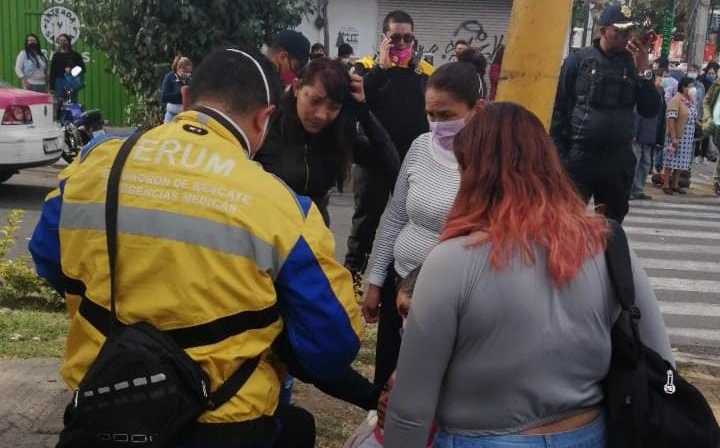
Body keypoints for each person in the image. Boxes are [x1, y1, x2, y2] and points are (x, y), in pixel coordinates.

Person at [29, 47, 362, 448]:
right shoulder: (284, 208)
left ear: (185, 98)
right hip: (224, 422)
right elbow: (333, 344)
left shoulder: (95, 164)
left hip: (106, 405)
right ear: (265, 118)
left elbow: (47, 256)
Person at [384, 102, 673, 448]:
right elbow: (663, 364)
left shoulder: (450, 262)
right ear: (550, 165)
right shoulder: (605, 245)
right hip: (589, 434)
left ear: (472, 173)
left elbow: (409, 409)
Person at [363, 62, 481, 387]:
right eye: (431, 114)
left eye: (447, 115)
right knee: (387, 378)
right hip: (399, 282)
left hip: (446, 296)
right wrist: (375, 280)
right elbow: (395, 216)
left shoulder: (485, 162)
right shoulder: (419, 147)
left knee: (427, 382)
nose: (437, 125)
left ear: (476, 109)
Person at [345, 10, 433, 291]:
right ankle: (352, 278)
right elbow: (356, 104)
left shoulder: (424, 73)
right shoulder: (365, 69)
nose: (402, 43)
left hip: (409, 163)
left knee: (409, 224)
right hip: (373, 160)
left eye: (408, 38)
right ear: (384, 38)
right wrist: (381, 69)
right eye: (395, 37)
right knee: (365, 223)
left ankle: (396, 281)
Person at [256, 57, 400, 226]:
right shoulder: (265, 127)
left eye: (333, 107)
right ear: (296, 88)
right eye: (314, 101)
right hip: (264, 231)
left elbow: (388, 160)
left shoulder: (337, 134)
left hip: (313, 235)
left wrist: (363, 111)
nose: (321, 115)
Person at [550, 4, 660, 223]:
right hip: (580, 156)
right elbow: (560, 110)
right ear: (603, 31)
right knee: (567, 222)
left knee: (611, 225)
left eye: (628, 31)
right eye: (618, 31)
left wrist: (644, 71)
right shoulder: (578, 61)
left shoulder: (634, 64)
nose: (625, 36)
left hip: (617, 159)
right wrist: (561, 156)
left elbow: (650, 110)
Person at [631, 71, 666, 200]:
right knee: (635, 162)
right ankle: (629, 190)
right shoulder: (640, 94)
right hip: (638, 135)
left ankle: (638, 189)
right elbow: (636, 115)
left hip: (649, 136)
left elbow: (660, 118)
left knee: (646, 163)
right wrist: (634, 133)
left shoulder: (658, 95)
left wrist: (659, 137)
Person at [662, 77, 697, 195]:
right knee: (670, 161)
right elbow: (671, 118)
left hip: (687, 137)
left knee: (681, 162)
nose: (692, 89)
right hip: (676, 135)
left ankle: (675, 184)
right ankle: (666, 184)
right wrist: (673, 137)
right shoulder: (676, 99)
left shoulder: (690, 101)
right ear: (683, 87)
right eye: (690, 86)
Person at [49, 33, 85, 103]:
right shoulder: (56, 55)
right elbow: (52, 72)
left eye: (64, 40)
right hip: (58, 82)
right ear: (58, 42)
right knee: (59, 103)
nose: (62, 42)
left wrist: (72, 70)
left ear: (68, 42)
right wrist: (51, 87)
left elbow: (82, 68)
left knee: (71, 101)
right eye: (61, 40)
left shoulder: (75, 55)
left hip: (71, 81)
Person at [160, 56, 193, 123]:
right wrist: (180, 94)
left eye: (189, 72)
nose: (188, 74)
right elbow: (164, 97)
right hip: (172, 111)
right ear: (179, 69)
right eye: (186, 72)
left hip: (187, 111)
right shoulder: (169, 77)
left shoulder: (189, 79)